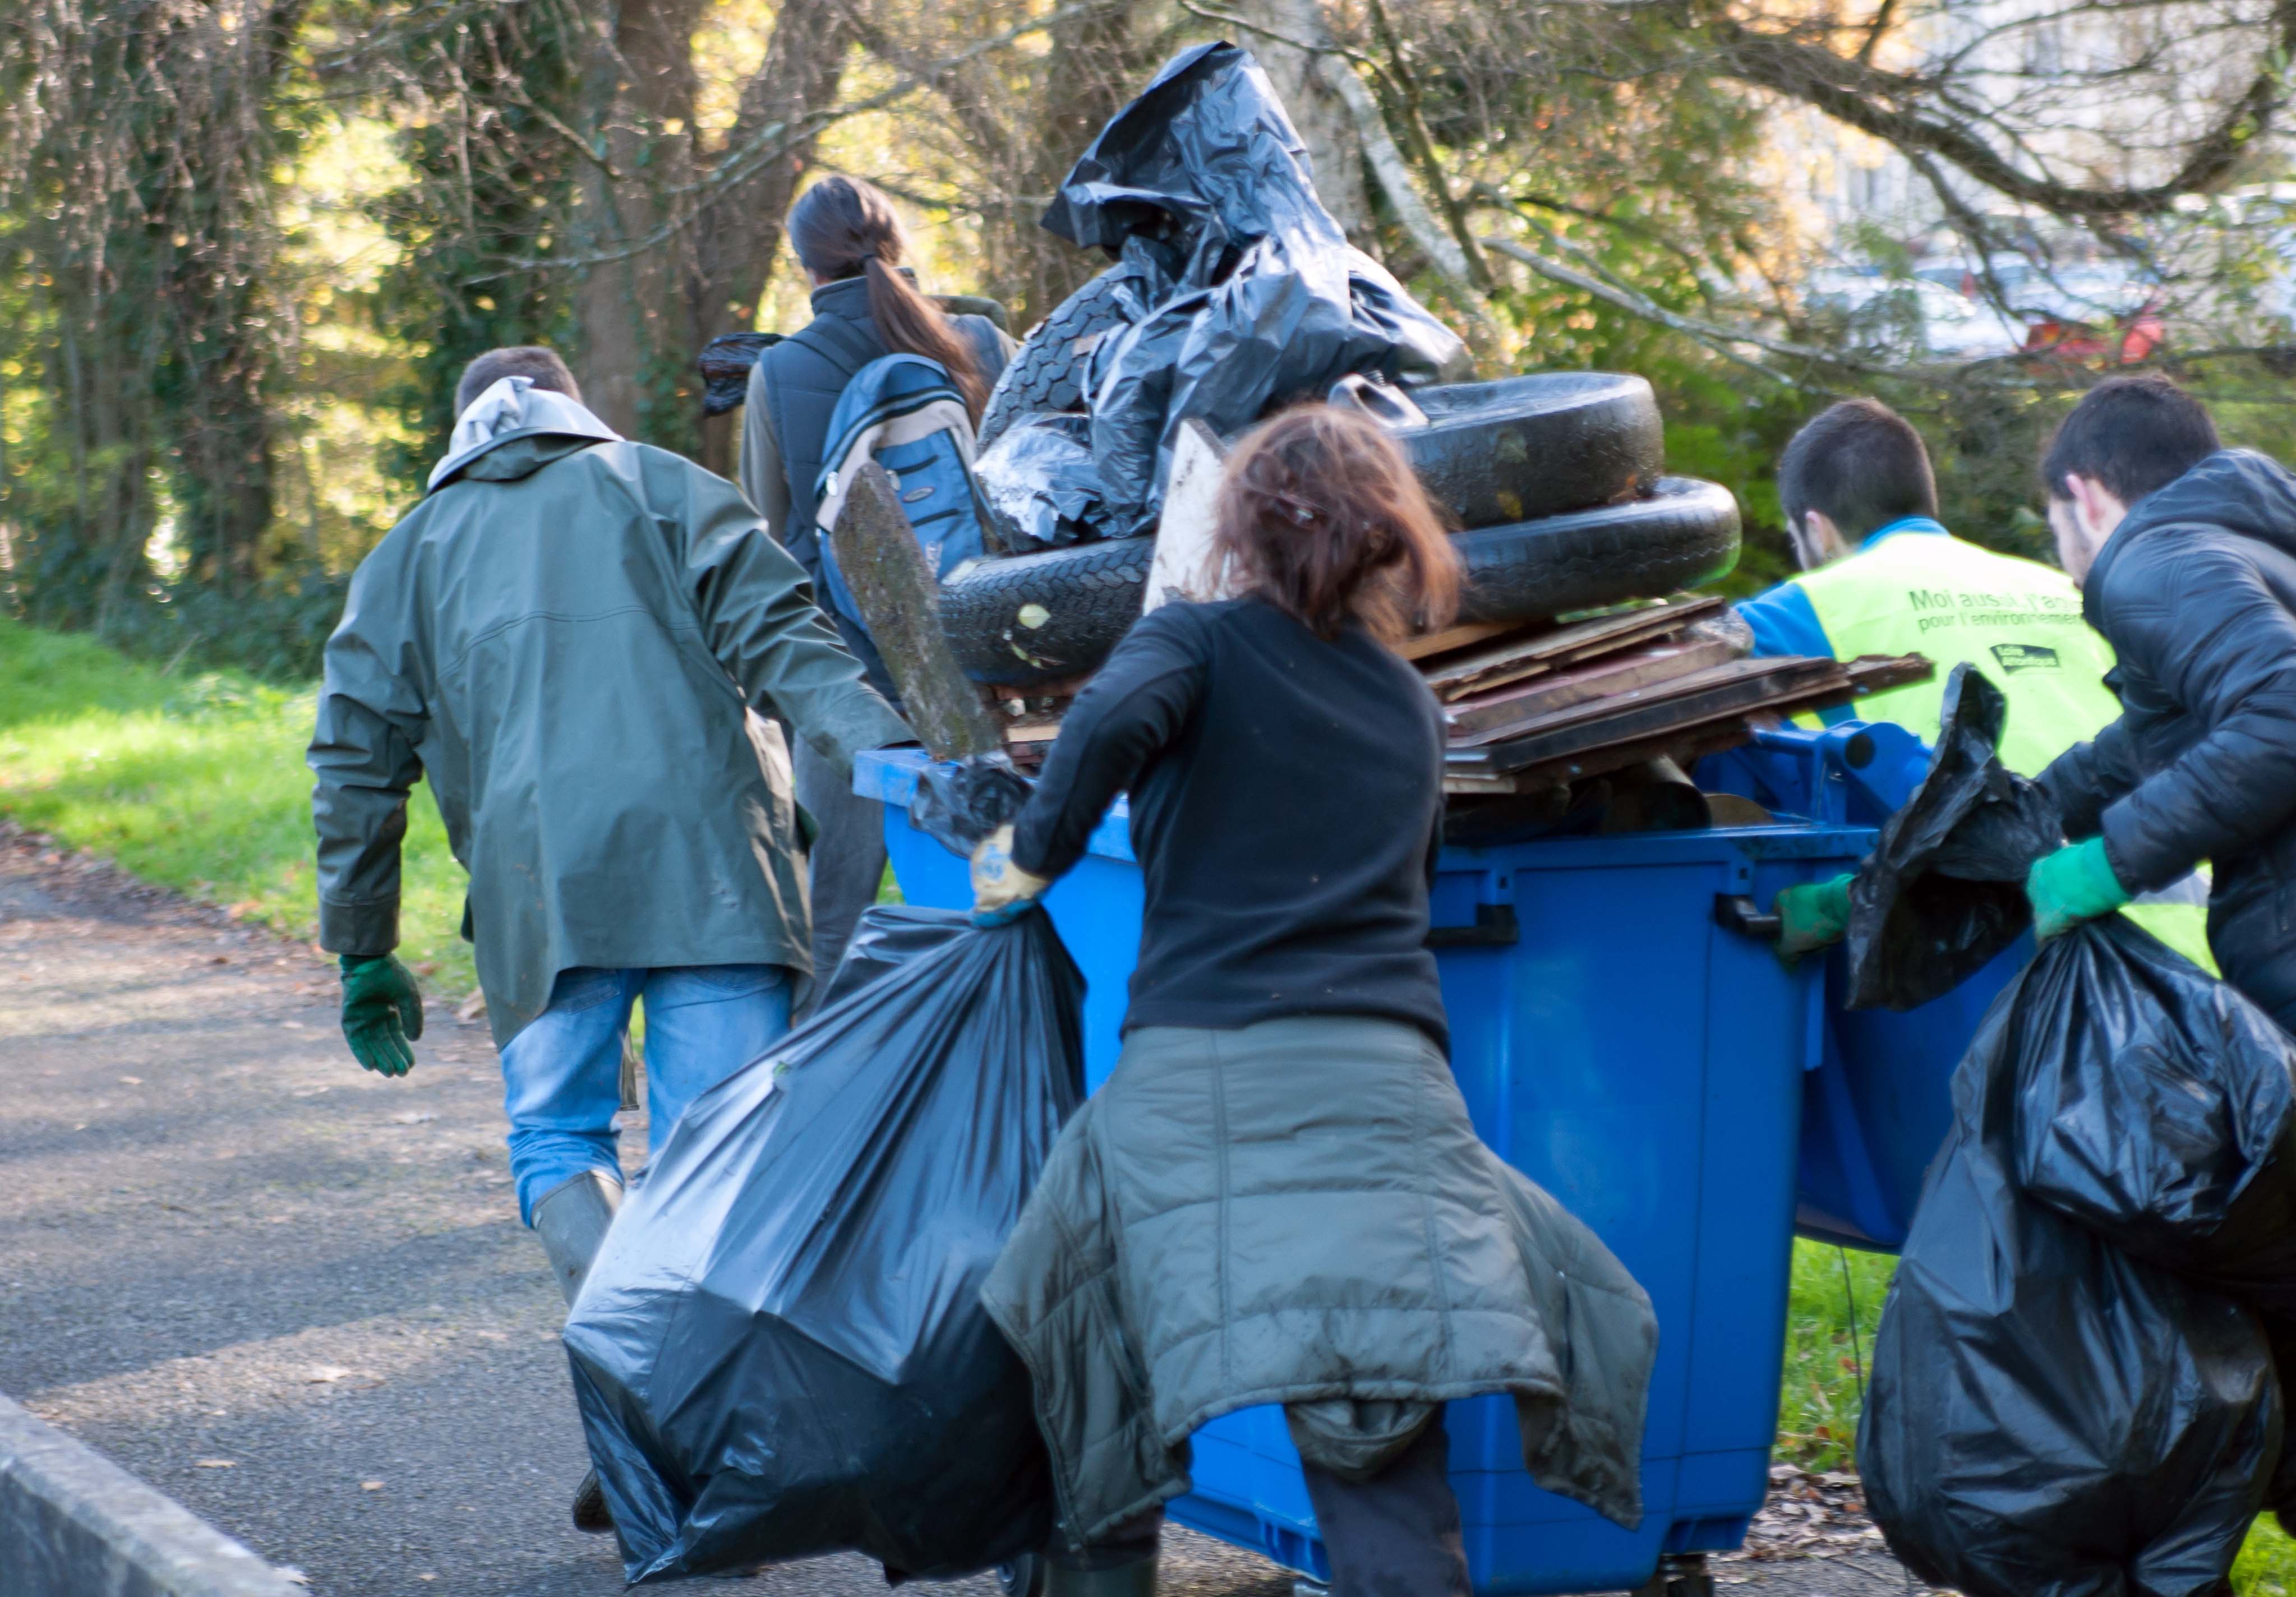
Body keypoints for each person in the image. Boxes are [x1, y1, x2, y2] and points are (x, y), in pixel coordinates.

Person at [967, 407, 1657, 1597]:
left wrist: (1028, 853)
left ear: (1238, 527)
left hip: (1192, 1084)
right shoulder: (1407, 708)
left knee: (1091, 1379)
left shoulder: (1190, 643)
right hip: (1389, 1100)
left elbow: (1107, 725)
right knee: (1377, 1443)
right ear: (1388, 540)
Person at [310, 345, 910, 1530]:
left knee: (558, 1139)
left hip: (546, 898)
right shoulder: (662, 485)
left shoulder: (411, 552)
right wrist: (904, 755)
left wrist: (362, 941)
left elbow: (353, 754)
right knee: (716, 1156)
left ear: (464, 424)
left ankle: (645, 1398)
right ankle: (697, 1428)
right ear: (574, 404)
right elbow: (789, 641)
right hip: (716, 877)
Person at [2027, 372, 2296, 1596]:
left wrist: (2110, 862)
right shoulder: (2253, 555)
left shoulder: (2143, 561)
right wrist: (2002, 832)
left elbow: (2294, 718)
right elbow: (2149, 738)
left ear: (2084, 494)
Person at [1748, 396, 2211, 969]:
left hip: (2001, 972)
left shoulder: (1791, 616)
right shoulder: (2069, 590)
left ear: (1816, 531)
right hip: (2195, 953)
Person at [740, 176, 1014, 1000]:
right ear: (897, 247)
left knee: (831, 907)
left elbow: (770, 536)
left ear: (806, 271)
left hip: (848, 681)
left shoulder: (780, 371)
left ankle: (811, 1090)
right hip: (988, 661)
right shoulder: (979, 340)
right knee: (1003, 876)